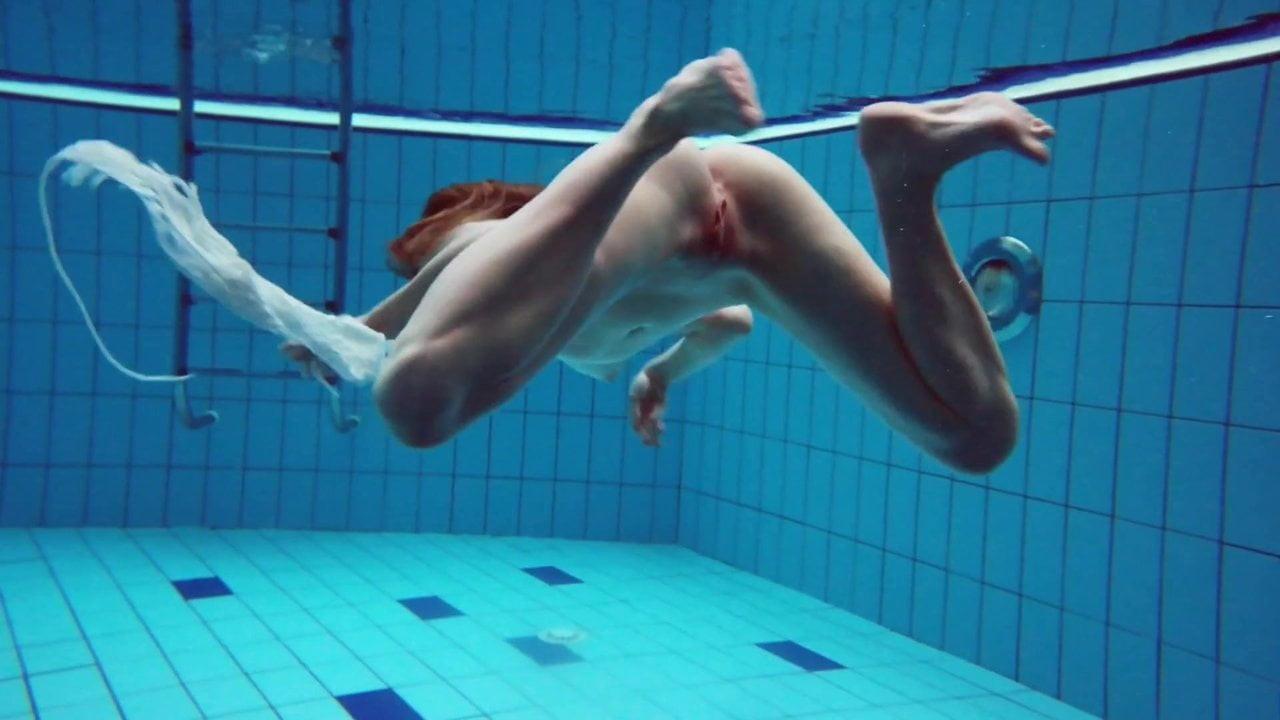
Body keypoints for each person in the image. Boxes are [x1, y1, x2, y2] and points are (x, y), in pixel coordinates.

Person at [287, 48, 1055, 474]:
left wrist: (364, 326)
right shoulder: (557, 325)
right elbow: (732, 323)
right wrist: (659, 376)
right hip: (754, 222)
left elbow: (454, 262)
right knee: (976, 437)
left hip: (664, 190)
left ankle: (650, 123)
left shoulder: (489, 244)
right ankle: (906, 173)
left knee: (414, 403)